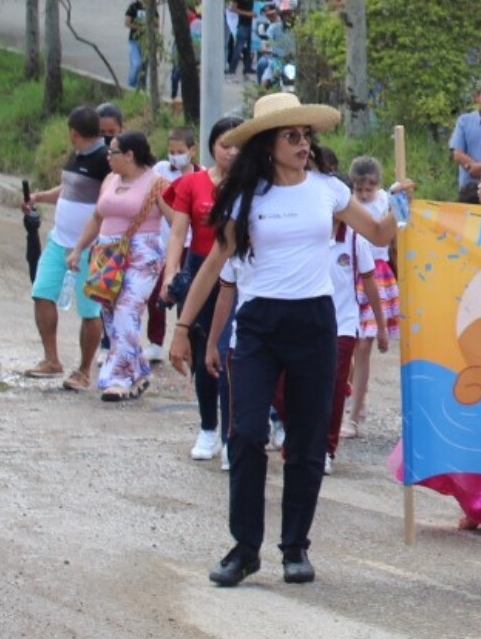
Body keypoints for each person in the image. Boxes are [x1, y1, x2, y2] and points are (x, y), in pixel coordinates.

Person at [167, 93, 407, 587]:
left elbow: (380, 236)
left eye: (306, 136)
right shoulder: (243, 196)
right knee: (247, 433)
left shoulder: (329, 190)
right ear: (268, 144)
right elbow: (216, 263)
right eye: (291, 136)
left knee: (306, 441)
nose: (303, 144)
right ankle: (245, 547)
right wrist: (181, 328)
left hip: (314, 324)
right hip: (257, 325)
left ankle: (295, 547)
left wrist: (398, 205)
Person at [66, 132, 181, 401]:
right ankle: (138, 371)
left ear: (129, 155)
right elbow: (97, 216)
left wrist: (174, 261)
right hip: (106, 254)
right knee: (110, 312)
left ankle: (117, 376)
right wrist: (79, 248)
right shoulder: (110, 180)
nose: (108, 157)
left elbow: (177, 221)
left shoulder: (157, 183)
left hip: (142, 253)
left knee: (127, 309)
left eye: (113, 152)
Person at [161, 117, 241, 460]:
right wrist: (171, 273)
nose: (232, 153)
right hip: (200, 269)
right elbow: (178, 233)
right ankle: (208, 428)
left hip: (241, 274)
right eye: (226, 145)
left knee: (229, 353)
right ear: (211, 147)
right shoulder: (192, 183)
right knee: (201, 351)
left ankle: (233, 434)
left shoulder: (254, 186)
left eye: (239, 146)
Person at [23, 107, 111, 390]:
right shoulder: (76, 156)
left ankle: (85, 370)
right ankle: (52, 359)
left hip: (91, 248)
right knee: (41, 293)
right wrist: (39, 197)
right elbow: (67, 189)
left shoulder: (105, 160)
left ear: (73, 132)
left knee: (90, 310)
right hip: (59, 240)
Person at [343, 157, 399, 437]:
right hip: (349, 274)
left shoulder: (386, 201)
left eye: (370, 189)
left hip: (377, 275)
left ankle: (355, 413)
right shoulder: (347, 203)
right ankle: (352, 393)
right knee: (348, 344)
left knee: (364, 346)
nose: (364, 195)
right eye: (359, 189)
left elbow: (395, 237)